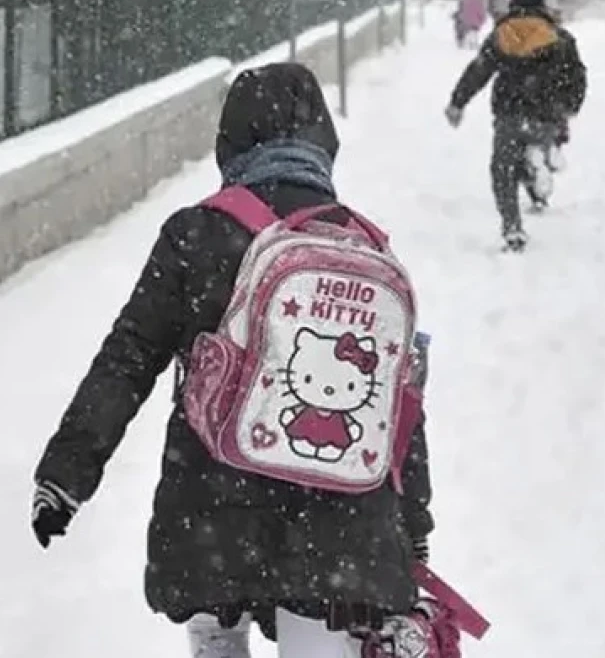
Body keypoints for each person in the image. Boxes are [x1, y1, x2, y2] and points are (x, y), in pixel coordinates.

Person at [30, 63, 435, 654]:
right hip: (340, 525)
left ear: (231, 141)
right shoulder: (364, 247)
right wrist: (413, 528)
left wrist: (66, 475)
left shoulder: (196, 234)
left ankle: (218, 637)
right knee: (320, 633)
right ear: (324, 142)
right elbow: (399, 408)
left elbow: (128, 358)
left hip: (213, 507)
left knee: (217, 620)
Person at [444, 0, 588, 252]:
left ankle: (512, 227)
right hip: (546, 113)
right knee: (537, 145)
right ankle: (540, 163)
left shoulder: (501, 35)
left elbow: (478, 72)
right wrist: (569, 106)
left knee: (503, 170)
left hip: (509, 112)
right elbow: (577, 77)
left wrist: (457, 103)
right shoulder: (560, 38)